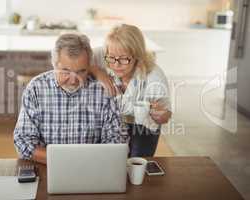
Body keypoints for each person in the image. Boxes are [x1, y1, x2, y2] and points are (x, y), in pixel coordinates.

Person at [14, 33, 127, 164]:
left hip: (92, 167)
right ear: (54, 64)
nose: (74, 80)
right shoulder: (36, 88)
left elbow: (118, 140)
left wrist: (86, 161)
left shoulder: (103, 90)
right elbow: (23, 140)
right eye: (66, 71)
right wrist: (65, 161)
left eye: (81, 71)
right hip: (48, 167)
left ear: (89, 66)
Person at [90, 24, 172, 157]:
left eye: (124, 59)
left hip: (140, 125)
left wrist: (162, 115)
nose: (116, 65)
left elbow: (165, 115)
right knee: (107, 159)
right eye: (111, 58)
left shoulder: (154, 77)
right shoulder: (105, 52)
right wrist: (98, 72)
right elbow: (81, 59)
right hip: (111, 120)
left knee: (136, 162)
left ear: (137, 56)